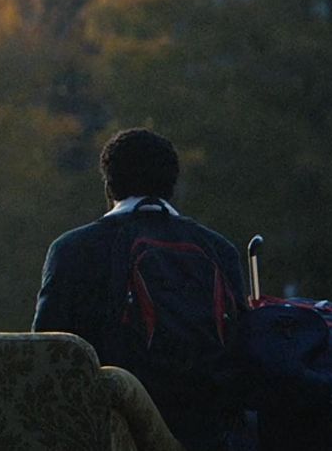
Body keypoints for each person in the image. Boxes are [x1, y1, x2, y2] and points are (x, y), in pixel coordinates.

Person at [32, 128, 247, 451]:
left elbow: (47, 355)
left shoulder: (74, 249)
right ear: (171, 186)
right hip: (208, 434)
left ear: (108, 184)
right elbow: (242, 351)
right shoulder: (220, 251)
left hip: (109, 433)